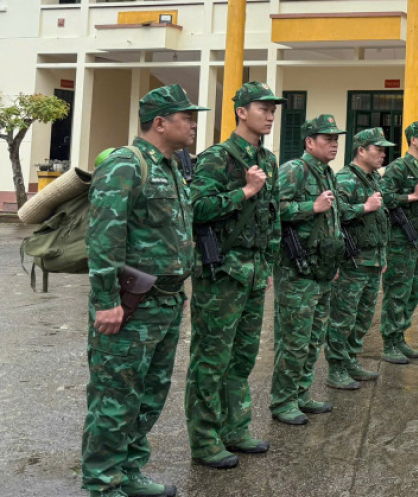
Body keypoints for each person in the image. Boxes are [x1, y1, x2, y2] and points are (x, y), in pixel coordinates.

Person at [82, 84, 208, 497]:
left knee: (150, 395)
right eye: (185, 117)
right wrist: (106, 302)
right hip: (129, 306)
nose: (193, 124)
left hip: (167, 302)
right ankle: (102, 484)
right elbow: (104, 236)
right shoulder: (126, 163)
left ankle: (130, 470)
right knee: (114, 397)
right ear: (159, 122)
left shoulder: (172, 166)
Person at [185, 82, 284, 469]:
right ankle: (205, 440)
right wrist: (244, 191)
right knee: (211, 359)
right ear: (241, 111)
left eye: (274, 109)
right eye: (263, 108)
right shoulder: (217, 158)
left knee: (242, 357)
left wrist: (270, 262)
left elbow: (272, 215)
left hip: (255, 273)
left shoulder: (269, 159)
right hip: (222, 273)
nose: (271, 115)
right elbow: (196, 209)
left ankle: (235, 428)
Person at [271, 115, 369, 425]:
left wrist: (335, 262)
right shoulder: (294, 170)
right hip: (296, 272)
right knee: (294, 340)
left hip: (322, 270)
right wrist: (309, 207)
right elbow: (273, 209)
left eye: (336, 138)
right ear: (309, 142)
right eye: (327, 139)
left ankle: (301, 393)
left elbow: (334, 222)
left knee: (313, 338)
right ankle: (283, 400)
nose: (334, 143)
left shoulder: (327, 173)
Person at [324, 128, 392, 390]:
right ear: (361, 150)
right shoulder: (345, 178)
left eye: (385, 150)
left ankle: (350, 359)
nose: (383, 154)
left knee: (363, 317)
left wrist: (382, 254)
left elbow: (381, 220)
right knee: (343, 317)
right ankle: (336, 367)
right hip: (352, 261)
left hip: (373, 259)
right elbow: (333, 212)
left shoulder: (373, 178)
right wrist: (364, 207)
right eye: (378, 149)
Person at [380, 120, 418, 364]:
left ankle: (400, 337)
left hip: (416, 240)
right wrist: (411, 197)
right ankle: (389, 342)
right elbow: (383, 197)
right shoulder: (398, 167)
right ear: (413, 140)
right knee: (397, 293)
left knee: (412, 292)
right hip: (399, 242)